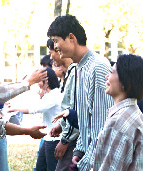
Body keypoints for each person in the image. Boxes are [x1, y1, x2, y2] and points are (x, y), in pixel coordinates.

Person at [47, 15, 114, 170]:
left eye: (56, 41)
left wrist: (85, 162)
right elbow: (86, 120)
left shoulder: (97, 67)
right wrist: (79, 151)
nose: (55, 46)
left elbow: (101, 127)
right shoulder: (80, 67)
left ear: (71, 37)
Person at [90, 54, 143, 170]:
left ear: (125, 83)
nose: (106, 76)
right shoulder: (134, 113)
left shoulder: (119, 121)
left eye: (112, 72)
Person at [9, 67, 63, 171]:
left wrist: (15, 109)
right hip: (48, 138)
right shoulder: (49, 94)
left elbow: (36, 108)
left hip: (54, 140)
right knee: (40, 168)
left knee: (50, 168)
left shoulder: (54, 95)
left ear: (46, 80)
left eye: (39, 80)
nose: (37, 83)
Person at [47, 38, 79, 171]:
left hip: (73, 139)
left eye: (51, 52)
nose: (51, 57)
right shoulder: (71, 71)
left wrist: (65, 140)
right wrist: (61, 125)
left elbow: (77, 109)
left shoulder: (77, 70)